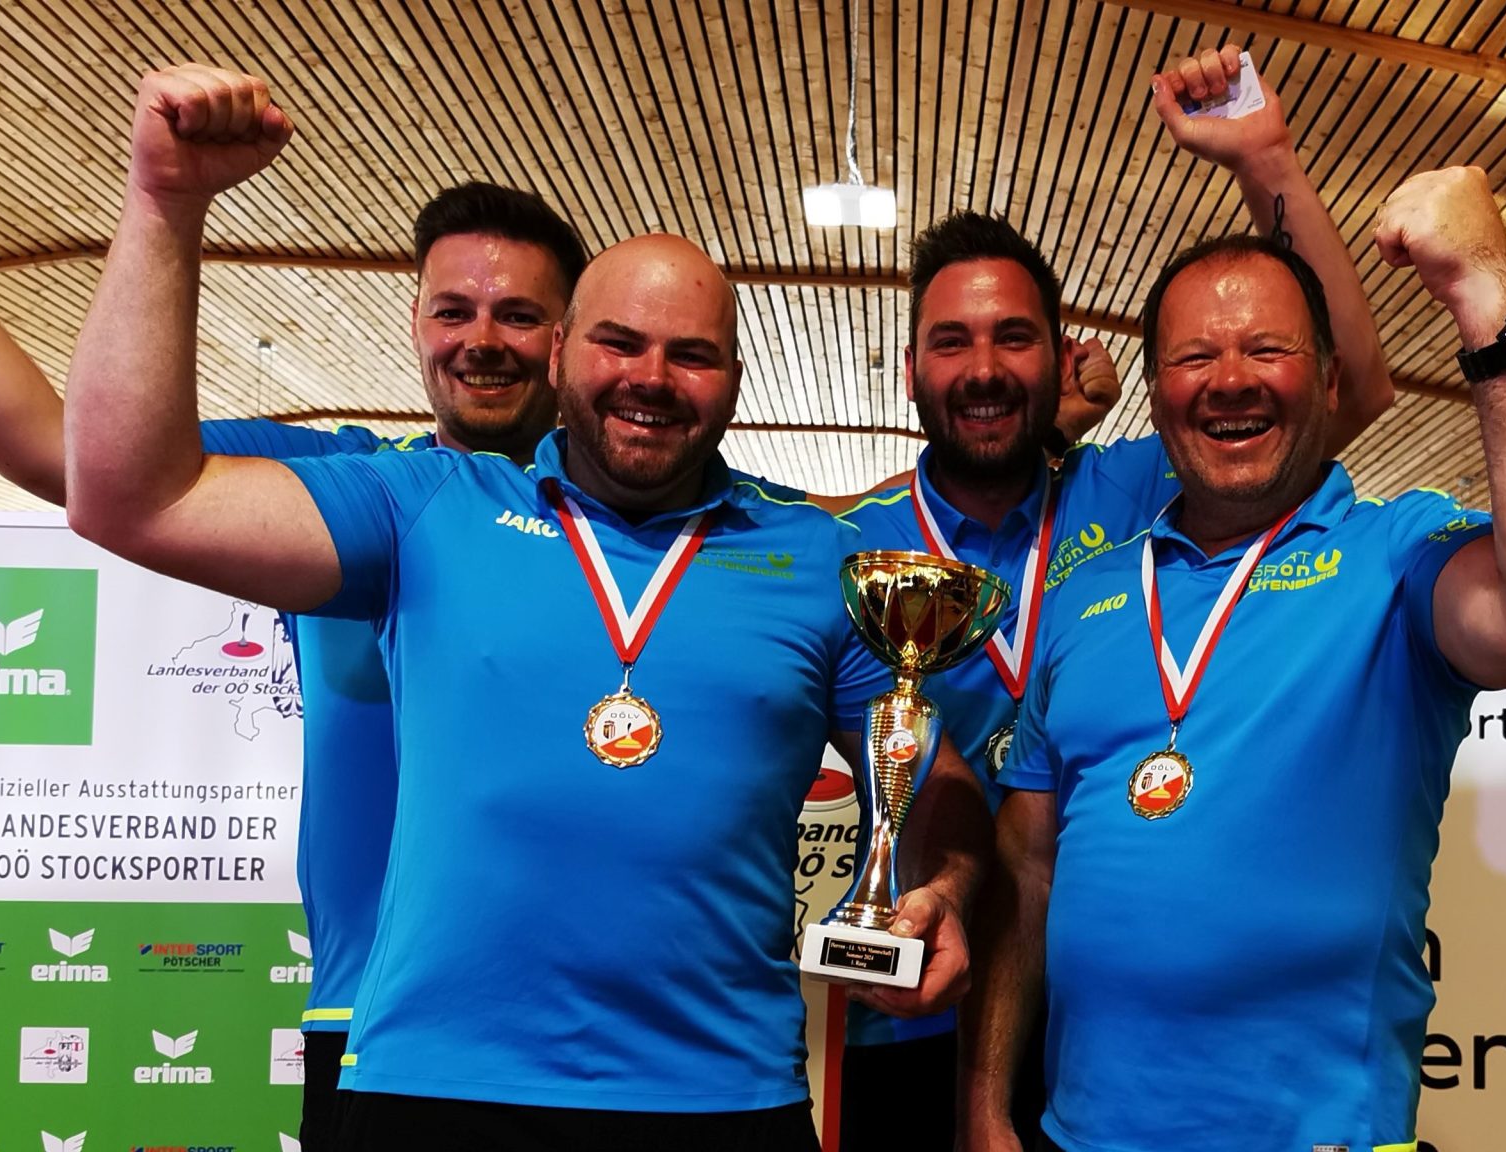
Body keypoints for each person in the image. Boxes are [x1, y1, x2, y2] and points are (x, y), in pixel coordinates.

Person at [58, 65, 985, 1149]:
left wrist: (943, 889)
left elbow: (937, 783)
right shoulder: (425, 505)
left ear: (735, 379)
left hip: (721, 1098)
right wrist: (165, 203)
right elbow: (128, 496)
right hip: (433, 1092)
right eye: (618, 342)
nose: (651, 377)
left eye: (692, 355)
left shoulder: (815, 560)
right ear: (559, 352)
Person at [0, 55, 585, 1148]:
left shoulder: (648, 529)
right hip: (379, 1026)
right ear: (415, 320)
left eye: (519, 314)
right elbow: (50, 450)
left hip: (608, 1043)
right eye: (453, 309)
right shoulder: (347, 492)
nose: (481, 339)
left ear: (571, 336)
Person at [968, 165, 1506, 1152]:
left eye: (1266, 349)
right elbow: (1026, 872)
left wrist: (1482, 288)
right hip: (1079, 1135)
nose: (1230, 378)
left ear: (1326, 381)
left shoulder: (1395, 556)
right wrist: (984, 1105)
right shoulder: (1083, 595)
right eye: (1194, 356)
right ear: (1156, 395)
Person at [839, 45, 1397, 1150]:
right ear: (909, 371)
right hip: (905, 985)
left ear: (1062, 359)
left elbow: (1354, 388)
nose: (983, 367)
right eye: (951, 342)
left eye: (1014, 338)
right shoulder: (853, 549)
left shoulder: (1140, 487)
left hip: (1092, 1007)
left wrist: (1265, 164)